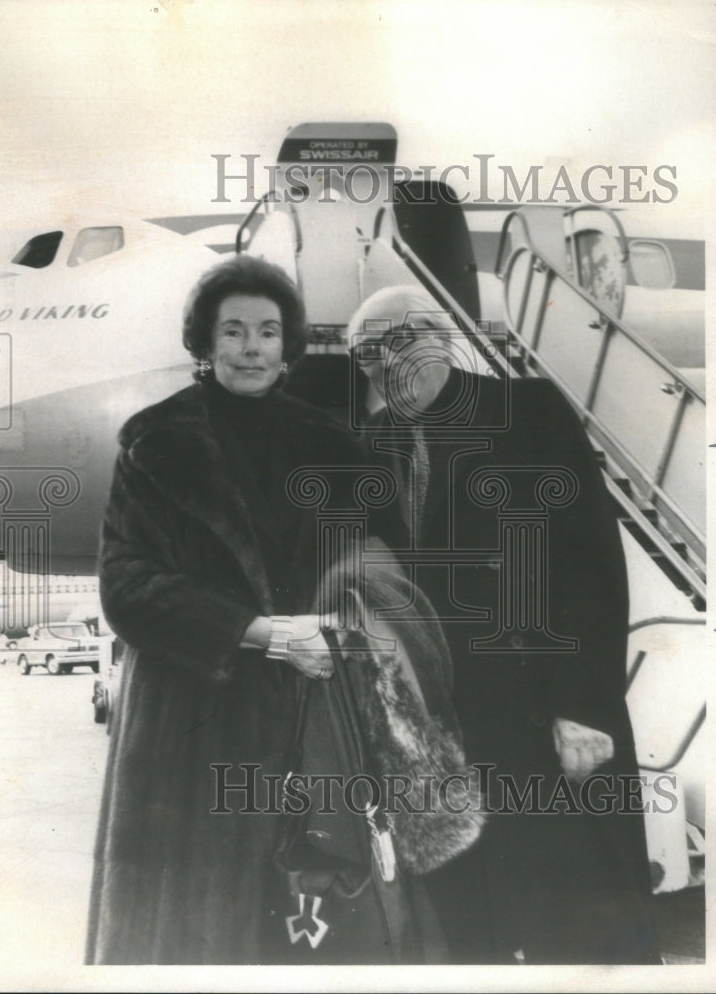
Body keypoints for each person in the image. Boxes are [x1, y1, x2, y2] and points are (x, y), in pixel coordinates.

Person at [85, 257, 451, 964]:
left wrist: (349, 626)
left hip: (310, 719)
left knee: (311, 927)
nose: (251, 347)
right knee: (187, 938)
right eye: (234, 331)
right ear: (205, 342)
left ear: (288, 348)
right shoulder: (155, 442)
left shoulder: (332, 445)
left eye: (267, 332)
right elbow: (126, 588)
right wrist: (264, 634)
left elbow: (389, 570)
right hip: (187, 728)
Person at [346, 285, 660, 965]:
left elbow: (589, 567)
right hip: (448, 732)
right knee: (474, 937)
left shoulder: (527, 411)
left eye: (400, 339)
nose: (383, 361)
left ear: (442, 338)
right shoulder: (371, 443)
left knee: (585, 932)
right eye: (366, 352)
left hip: (543, 715)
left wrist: (582, 706)